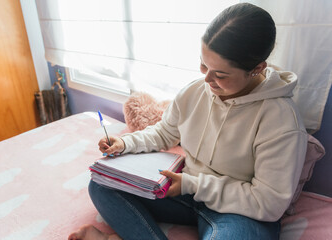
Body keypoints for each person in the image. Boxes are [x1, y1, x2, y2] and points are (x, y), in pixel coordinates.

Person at [69, 3, 308, 240]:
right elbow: (164, 132)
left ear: (256, 69)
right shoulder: (195, 91)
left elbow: (268, 202)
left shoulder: (281, 121)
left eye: (220, 74)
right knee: (102, 184)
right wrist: (125, 143)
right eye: (204, 64)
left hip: (241, 212)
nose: (207, 79)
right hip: (184, 192)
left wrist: (192, 185)